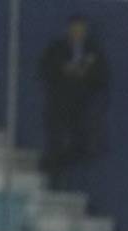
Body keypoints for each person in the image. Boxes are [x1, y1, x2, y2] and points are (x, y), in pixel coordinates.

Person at [39, 14, 109, 185]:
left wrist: (85, 74)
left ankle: (52, 164)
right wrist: (64, 70)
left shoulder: (93, 51)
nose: (78, 32)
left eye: (81, 29)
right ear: (69, 29)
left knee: (82, 145)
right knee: (56, 140)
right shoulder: (57, 48)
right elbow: (45, 69)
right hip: (58, 103)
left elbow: (102, 76)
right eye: (75, 29)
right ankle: (53, 177)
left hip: (81, 105)